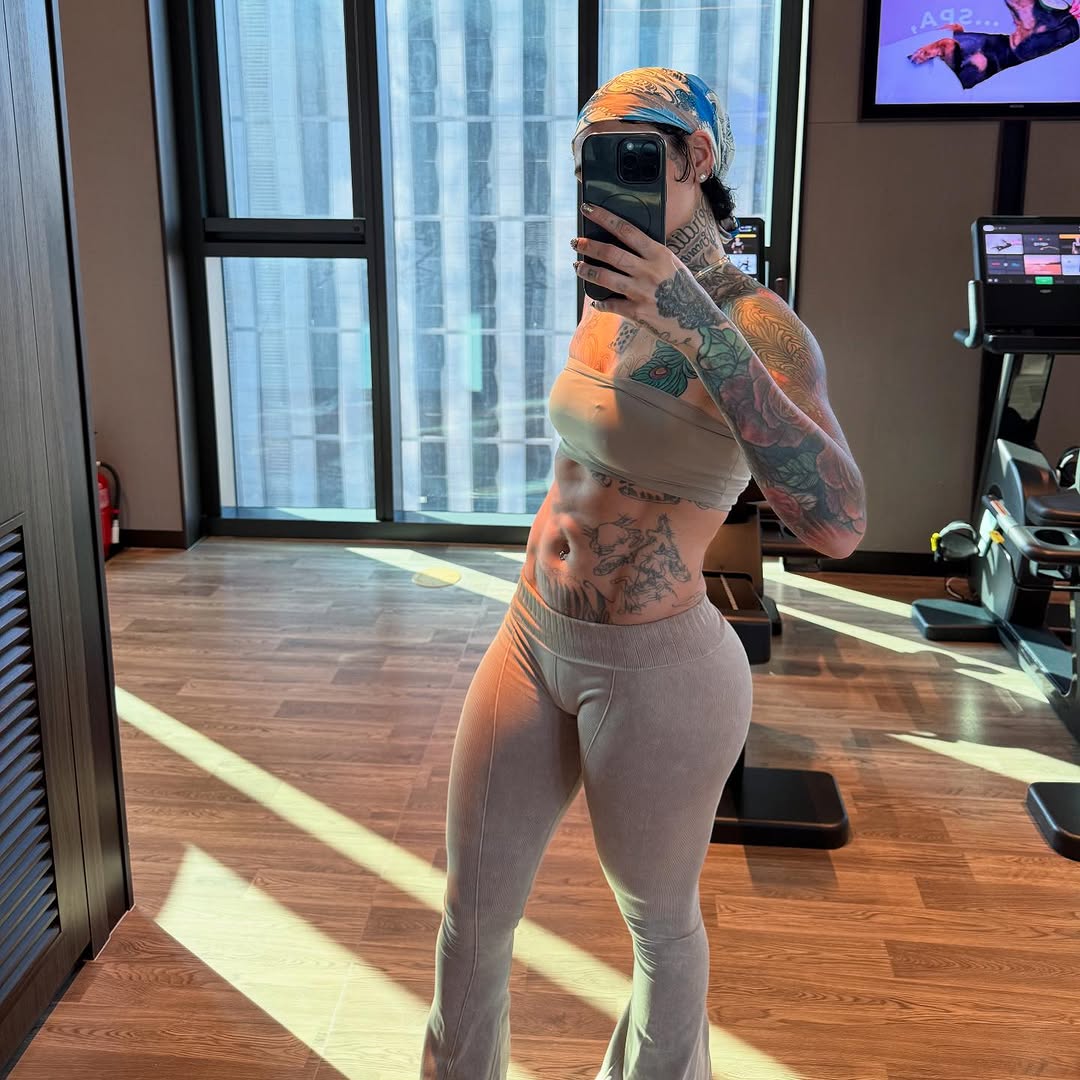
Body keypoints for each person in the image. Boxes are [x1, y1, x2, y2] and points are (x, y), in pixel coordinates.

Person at [420, 67, 866, 1079]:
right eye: (592, 160)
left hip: (659, 668)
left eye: (634, 156)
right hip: (531, 635)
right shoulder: (604, 293)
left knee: (659, 927)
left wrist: (697, 325)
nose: (604, 181)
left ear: (696, 159)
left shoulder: (761, 328)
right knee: (471, 911)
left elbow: (839, 524)